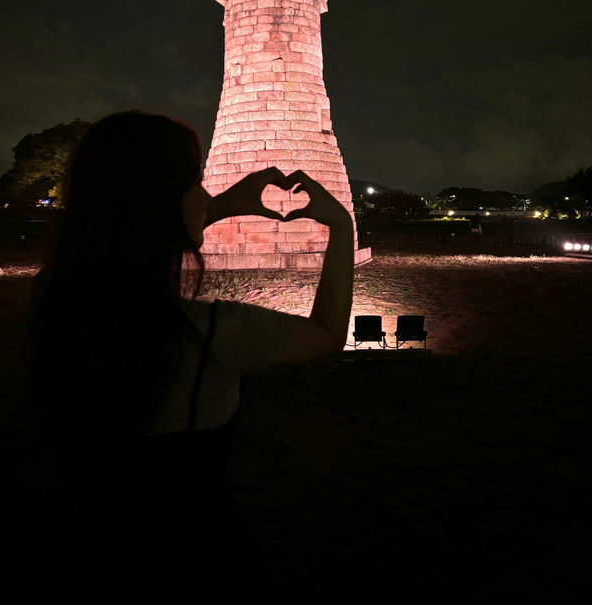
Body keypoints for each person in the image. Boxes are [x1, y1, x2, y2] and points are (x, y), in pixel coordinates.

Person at [27, 110, 353, 602]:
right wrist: (341, 227)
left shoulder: (54, 301)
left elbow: (134, 233)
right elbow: (328, 333)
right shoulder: (214, 333)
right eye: (195, 181)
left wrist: (221, 205)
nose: (204, 194)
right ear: (165, 202)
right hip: (201, 561)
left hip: (89, 558)